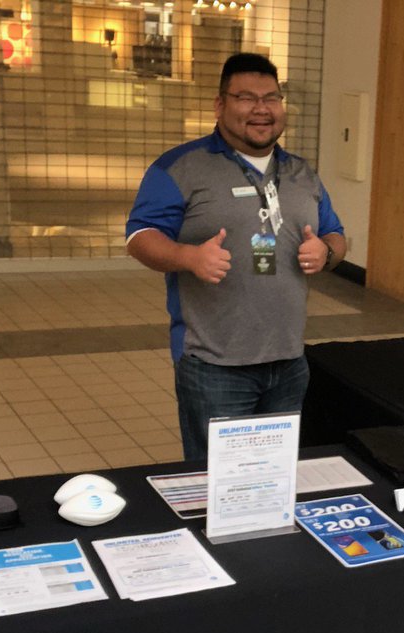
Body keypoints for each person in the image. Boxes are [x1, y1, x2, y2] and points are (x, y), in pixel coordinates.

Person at [126, 52, 346, 466]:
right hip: (214, 363)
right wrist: (187, 256)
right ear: (220, 104)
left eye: (272, 98)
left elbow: (335, 233)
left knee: (274, 479)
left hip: (289, 359)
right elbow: (140, 237)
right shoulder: (180, 167)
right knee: (216, 483)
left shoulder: (302, 173)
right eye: (246, 98)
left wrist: (328, 251)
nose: (261, 109)